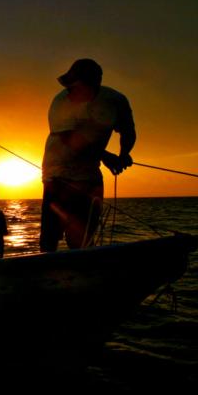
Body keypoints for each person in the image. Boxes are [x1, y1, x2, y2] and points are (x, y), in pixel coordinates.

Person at [40, 58, 136, 252]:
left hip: (90, 176)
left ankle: (82, 273)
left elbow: (128, 130)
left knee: (84, 237)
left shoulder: (115, 101)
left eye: (76, 85)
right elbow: (69, 138)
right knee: (50, 238)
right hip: (57, 175)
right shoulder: (61, 101)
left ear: (94, 83)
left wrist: (124, 153)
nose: (71, 90)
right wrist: (106, 156)